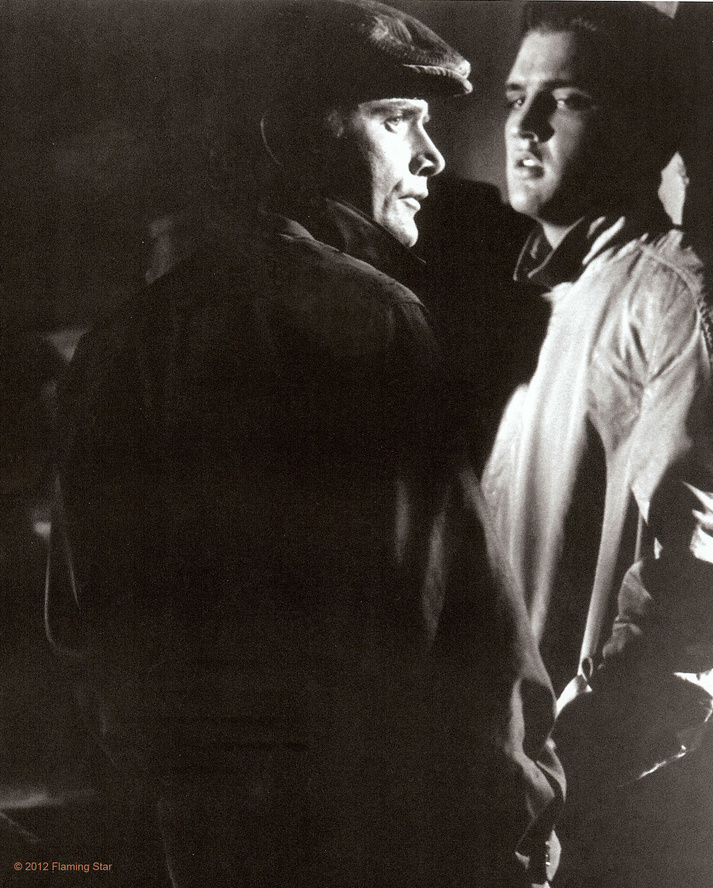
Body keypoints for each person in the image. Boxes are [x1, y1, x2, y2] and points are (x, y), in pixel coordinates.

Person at [48, 2, 563, 885]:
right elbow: (456, 635)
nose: (432, 156)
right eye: (396, 120)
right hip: (378, 836)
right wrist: (524, 827)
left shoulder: (119, 345)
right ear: (286, 135)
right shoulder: (371, 320)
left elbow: (88, 633)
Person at [482, 3, 713, 886]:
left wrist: (556, 782)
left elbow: (700, 610)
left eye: (569, 98)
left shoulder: (671, 302)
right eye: (516, 96)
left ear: (643, 128)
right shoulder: (554, 302)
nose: (525, 123)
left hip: (595, 835)